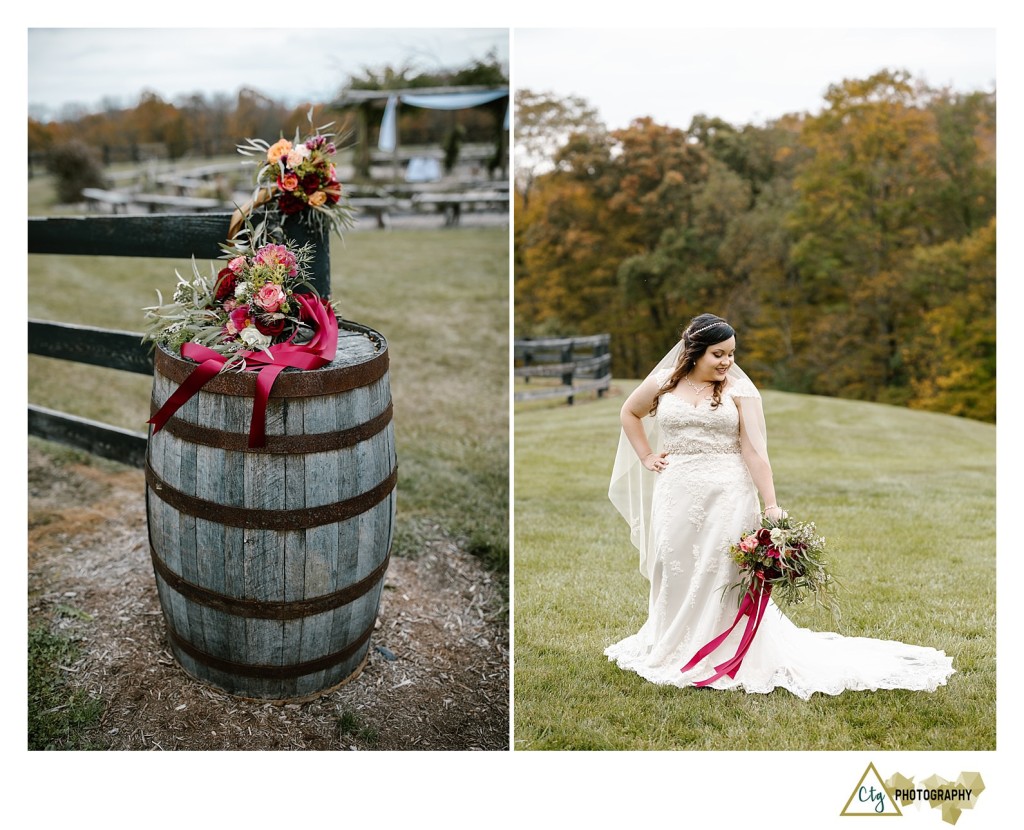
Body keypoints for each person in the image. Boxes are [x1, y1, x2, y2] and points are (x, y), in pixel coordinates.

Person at [605, 313, 955, 699]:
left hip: (728, 492)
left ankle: (727, 649)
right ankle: (674, 641)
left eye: (732, 354)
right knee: (675, 565)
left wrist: (771, 506)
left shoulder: (740, 391)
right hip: (676, 492)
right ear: (694, 352)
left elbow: (754, 451)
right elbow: (629, 412)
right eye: (718, 354)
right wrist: (646, 455)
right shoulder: (664, 383)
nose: (727, 362)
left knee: (721, 571)